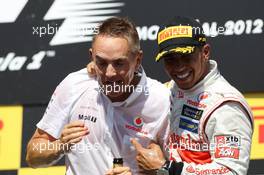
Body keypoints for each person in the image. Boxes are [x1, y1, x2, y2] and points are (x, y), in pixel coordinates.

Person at [26, 17, 170, 175]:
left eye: (119, 63)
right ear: (91, 56)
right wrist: (59, 146)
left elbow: (178, 167)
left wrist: (159, 171)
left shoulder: (161, 99)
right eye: (101, 62)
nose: (109, 73)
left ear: (137, 60)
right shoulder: (74, 84)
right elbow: (32, 157)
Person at [132, 16, 254, 175]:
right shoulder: (169, 90)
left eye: (186, 56)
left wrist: (166, 169)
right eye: (170, 59)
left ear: (205, 52)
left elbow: (232, 172)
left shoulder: (225, 105)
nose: (179, 67)